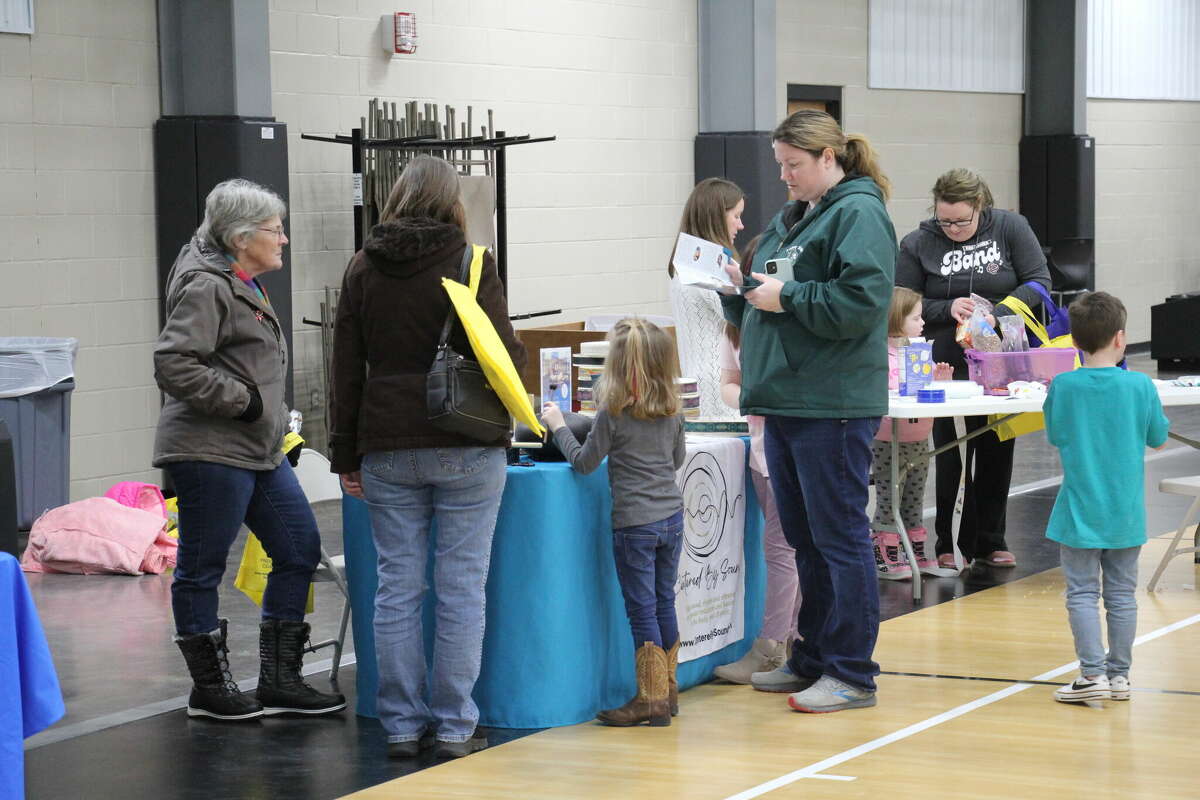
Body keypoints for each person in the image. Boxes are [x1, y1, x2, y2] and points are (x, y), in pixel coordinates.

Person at [329, 156, 527, 758]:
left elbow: (345, 369)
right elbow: (505, 353)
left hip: (386, 445)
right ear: (452, 202)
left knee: (397, 588)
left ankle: (398, 724)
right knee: (461, 589)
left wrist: (344, 455)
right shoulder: (471, 263)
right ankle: (453, 724)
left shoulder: (362, 267)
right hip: (465, 442)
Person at [720, 109, 896, 713]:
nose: (785, 177)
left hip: (833, 404)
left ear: (829, 158)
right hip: (787, 399)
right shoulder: (793, 219)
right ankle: (813, 656)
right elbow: (765, 300)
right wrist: (737, 291)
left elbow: (863, 301)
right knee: (807, 540)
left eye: (793, 165)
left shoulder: (858, 213)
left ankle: (851, 672)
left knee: (840, 539)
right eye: (780, 166)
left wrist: (786, 295)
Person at [154, 178, 345, 721]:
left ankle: (280, 680)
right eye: (274, 229)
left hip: (257, 449)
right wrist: (244, 403)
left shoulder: (239, 278)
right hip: (210, 449)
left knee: (298, 549)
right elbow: (173, 363)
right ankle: (209, 690)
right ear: (241, 238)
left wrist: (264, 415)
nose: (283, 238)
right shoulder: (206, 286)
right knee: (201, 568)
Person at [895, 168, 1052, 570]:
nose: (953, 229)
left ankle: (989, 539)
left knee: (995, 443)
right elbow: (899, 302)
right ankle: (945, 542)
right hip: (940, 359)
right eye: (945, 221)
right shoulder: (918, 242)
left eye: (962, 221)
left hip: (998, 356)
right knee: (949, 450)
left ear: (981, 207)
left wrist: (994, 314)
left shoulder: (1011, 228)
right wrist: (944, 308)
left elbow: (1038, 283)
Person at [541, 318, 686, 727]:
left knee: (641, 611)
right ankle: (668, 690)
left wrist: (557, 427)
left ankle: (650, 699)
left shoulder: (613, 414)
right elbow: (675, 461)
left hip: (635, 524)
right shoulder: (673, 409)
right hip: (672, 518)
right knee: (663, 601)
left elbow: (585, 463)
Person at [1042, 292, 1169, 702]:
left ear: (1075, 341)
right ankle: (1119, 677)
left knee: (1081, 593)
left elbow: (1056, 436)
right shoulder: (1140, 385)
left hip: (1079, 510)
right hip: (1126, 511)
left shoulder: (1063, 385)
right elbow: (1158, 437)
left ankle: (1091, 674)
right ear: (1121, 339)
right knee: (1121, 594)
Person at [712, 235, 800, 683]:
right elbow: (729, 383)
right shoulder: (739, 323)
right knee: (783, 548)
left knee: (783, 549)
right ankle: (788, 641)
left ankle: (775, 645)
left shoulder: (792, 319)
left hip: (791, 447)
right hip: (762, 448)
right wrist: (751, 397)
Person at [870, 288, 952, 580]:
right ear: (896, 319)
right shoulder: (878, 354)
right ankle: (884, 551)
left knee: (914, 497)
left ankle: (915, 550)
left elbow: (926, 386)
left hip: (919, 436)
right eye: (916, 318)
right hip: (887, 438)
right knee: (890, 495)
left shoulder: (917, 351)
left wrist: (940, 379)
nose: (922, 323)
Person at [668, 177, 745, 419]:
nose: (741, 225)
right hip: (720, 383)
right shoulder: (714, 268)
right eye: (736, 216)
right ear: (717, 216)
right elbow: (743, 318)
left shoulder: (682, 263)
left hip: (694, 381)